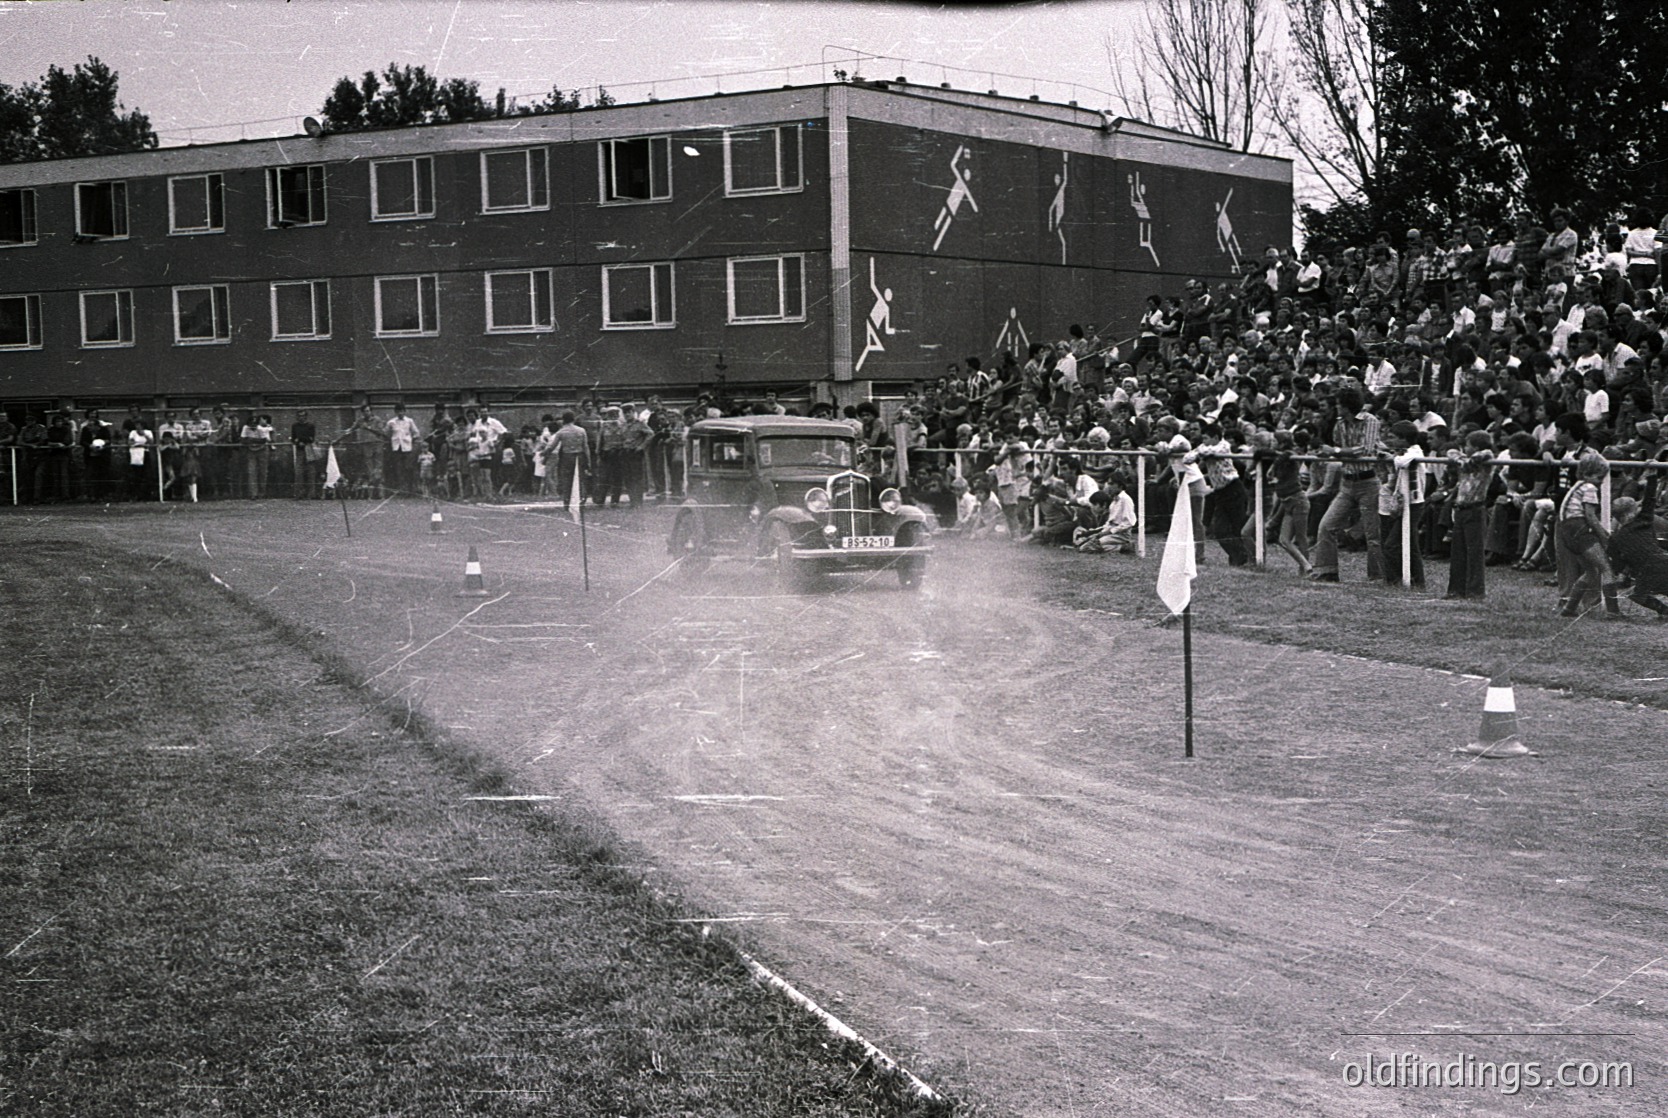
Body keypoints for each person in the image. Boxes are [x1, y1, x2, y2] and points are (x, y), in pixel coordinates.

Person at [1310, 386, 1383, 582]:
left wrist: (1334, 451)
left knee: (1372, 533)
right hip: (1347, 483)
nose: (1336, 408)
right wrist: (1336, 451)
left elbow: (1366, 450)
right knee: (1327, 525)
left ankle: (1378, 576)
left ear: (1347, 406)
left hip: (1368, 482)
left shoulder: (1371, 421)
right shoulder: (1339, 425)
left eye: (1339, 405)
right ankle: (1327, 571)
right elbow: (1344, 450)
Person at [1556, 455, 1618, 618]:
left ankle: (1569, 608)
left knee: (1591, 571)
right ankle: (1613, 611)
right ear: (1587, 474)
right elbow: (1590, 516)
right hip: (1578, 528)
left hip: (1566, 531)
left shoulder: (1577, 486)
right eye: (1599, 477)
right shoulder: (1589, 488)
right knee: (1606, 568)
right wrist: (1604, 536)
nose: (1600, 482)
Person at [1439, 429, 1495, 599]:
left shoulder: (1486, 459)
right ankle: (1456, 589)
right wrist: (1462, 459)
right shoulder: (1462, 459)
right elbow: (1451, 452)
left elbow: (1485, 454)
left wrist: (1465, 461)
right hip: (1461, 508)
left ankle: (1475, 591)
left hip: (1475, 508)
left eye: (1468, 445)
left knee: (1474, 553)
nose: (1464, 448)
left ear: (1476, 446)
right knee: (1458, 552)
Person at [1605, 485, 1668, 619]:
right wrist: (1652, 475)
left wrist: (1626, 571)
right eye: (1637, 508)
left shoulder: (1615, 538)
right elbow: (1649, 501)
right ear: (1630, 513)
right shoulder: (1642, 522)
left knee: (1638, 595)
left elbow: (1617, 563)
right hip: (1661, 562)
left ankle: (1664, 610)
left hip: (1647, 569)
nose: (1640, 509)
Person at [385, 403, 420, 496]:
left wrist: (411, 439)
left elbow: (416, 433)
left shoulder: (409, 421)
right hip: (396, 448)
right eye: (398, 411)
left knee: (409, 468)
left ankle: (411, 490)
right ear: (395, 412)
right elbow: (385, 433)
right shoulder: (391, 422)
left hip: (407, 448)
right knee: (399, 469)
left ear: (405, 411)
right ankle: (402, 490)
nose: (400, 413)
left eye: (402, 411)